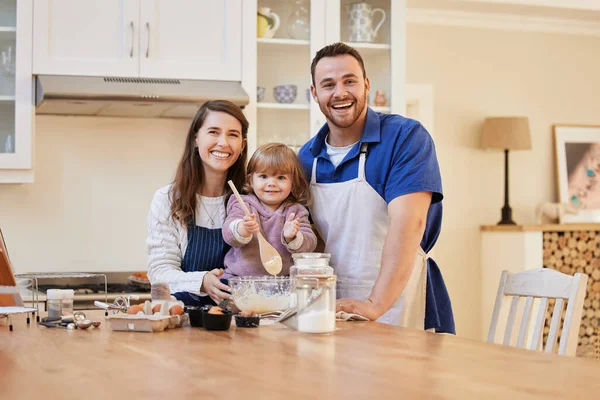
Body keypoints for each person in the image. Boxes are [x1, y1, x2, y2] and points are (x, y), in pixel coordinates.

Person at [298, 42, 455, 333]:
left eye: (350, 81)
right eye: (328, 84)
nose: (340, 92)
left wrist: (375, 304)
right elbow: (309, 240)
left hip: (397, 305)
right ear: (314, 93)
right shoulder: (306, 157)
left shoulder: (405, 138)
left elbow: (410, 222)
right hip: (332, 309)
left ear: (366, 85)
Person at [146, 100, 248, 306]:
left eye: (233, 134)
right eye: (213, 132)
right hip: (182, 323)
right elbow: (159, 272)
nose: (223, 143)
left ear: (242, 145)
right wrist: (202, 281)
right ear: (195, 139)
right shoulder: (167, 199)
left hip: (239, 321)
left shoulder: (250, 201)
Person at [222, 143, 317, 278]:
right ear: (251, 180)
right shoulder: (242, 203)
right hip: (239, 279)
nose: (271, 183)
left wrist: (293, 237)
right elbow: (228, 234)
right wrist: (243, 228)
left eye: (281, 178)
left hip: (281, 282)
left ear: (293, 182)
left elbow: (310, 244)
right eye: (264, 176)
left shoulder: (296, 211)